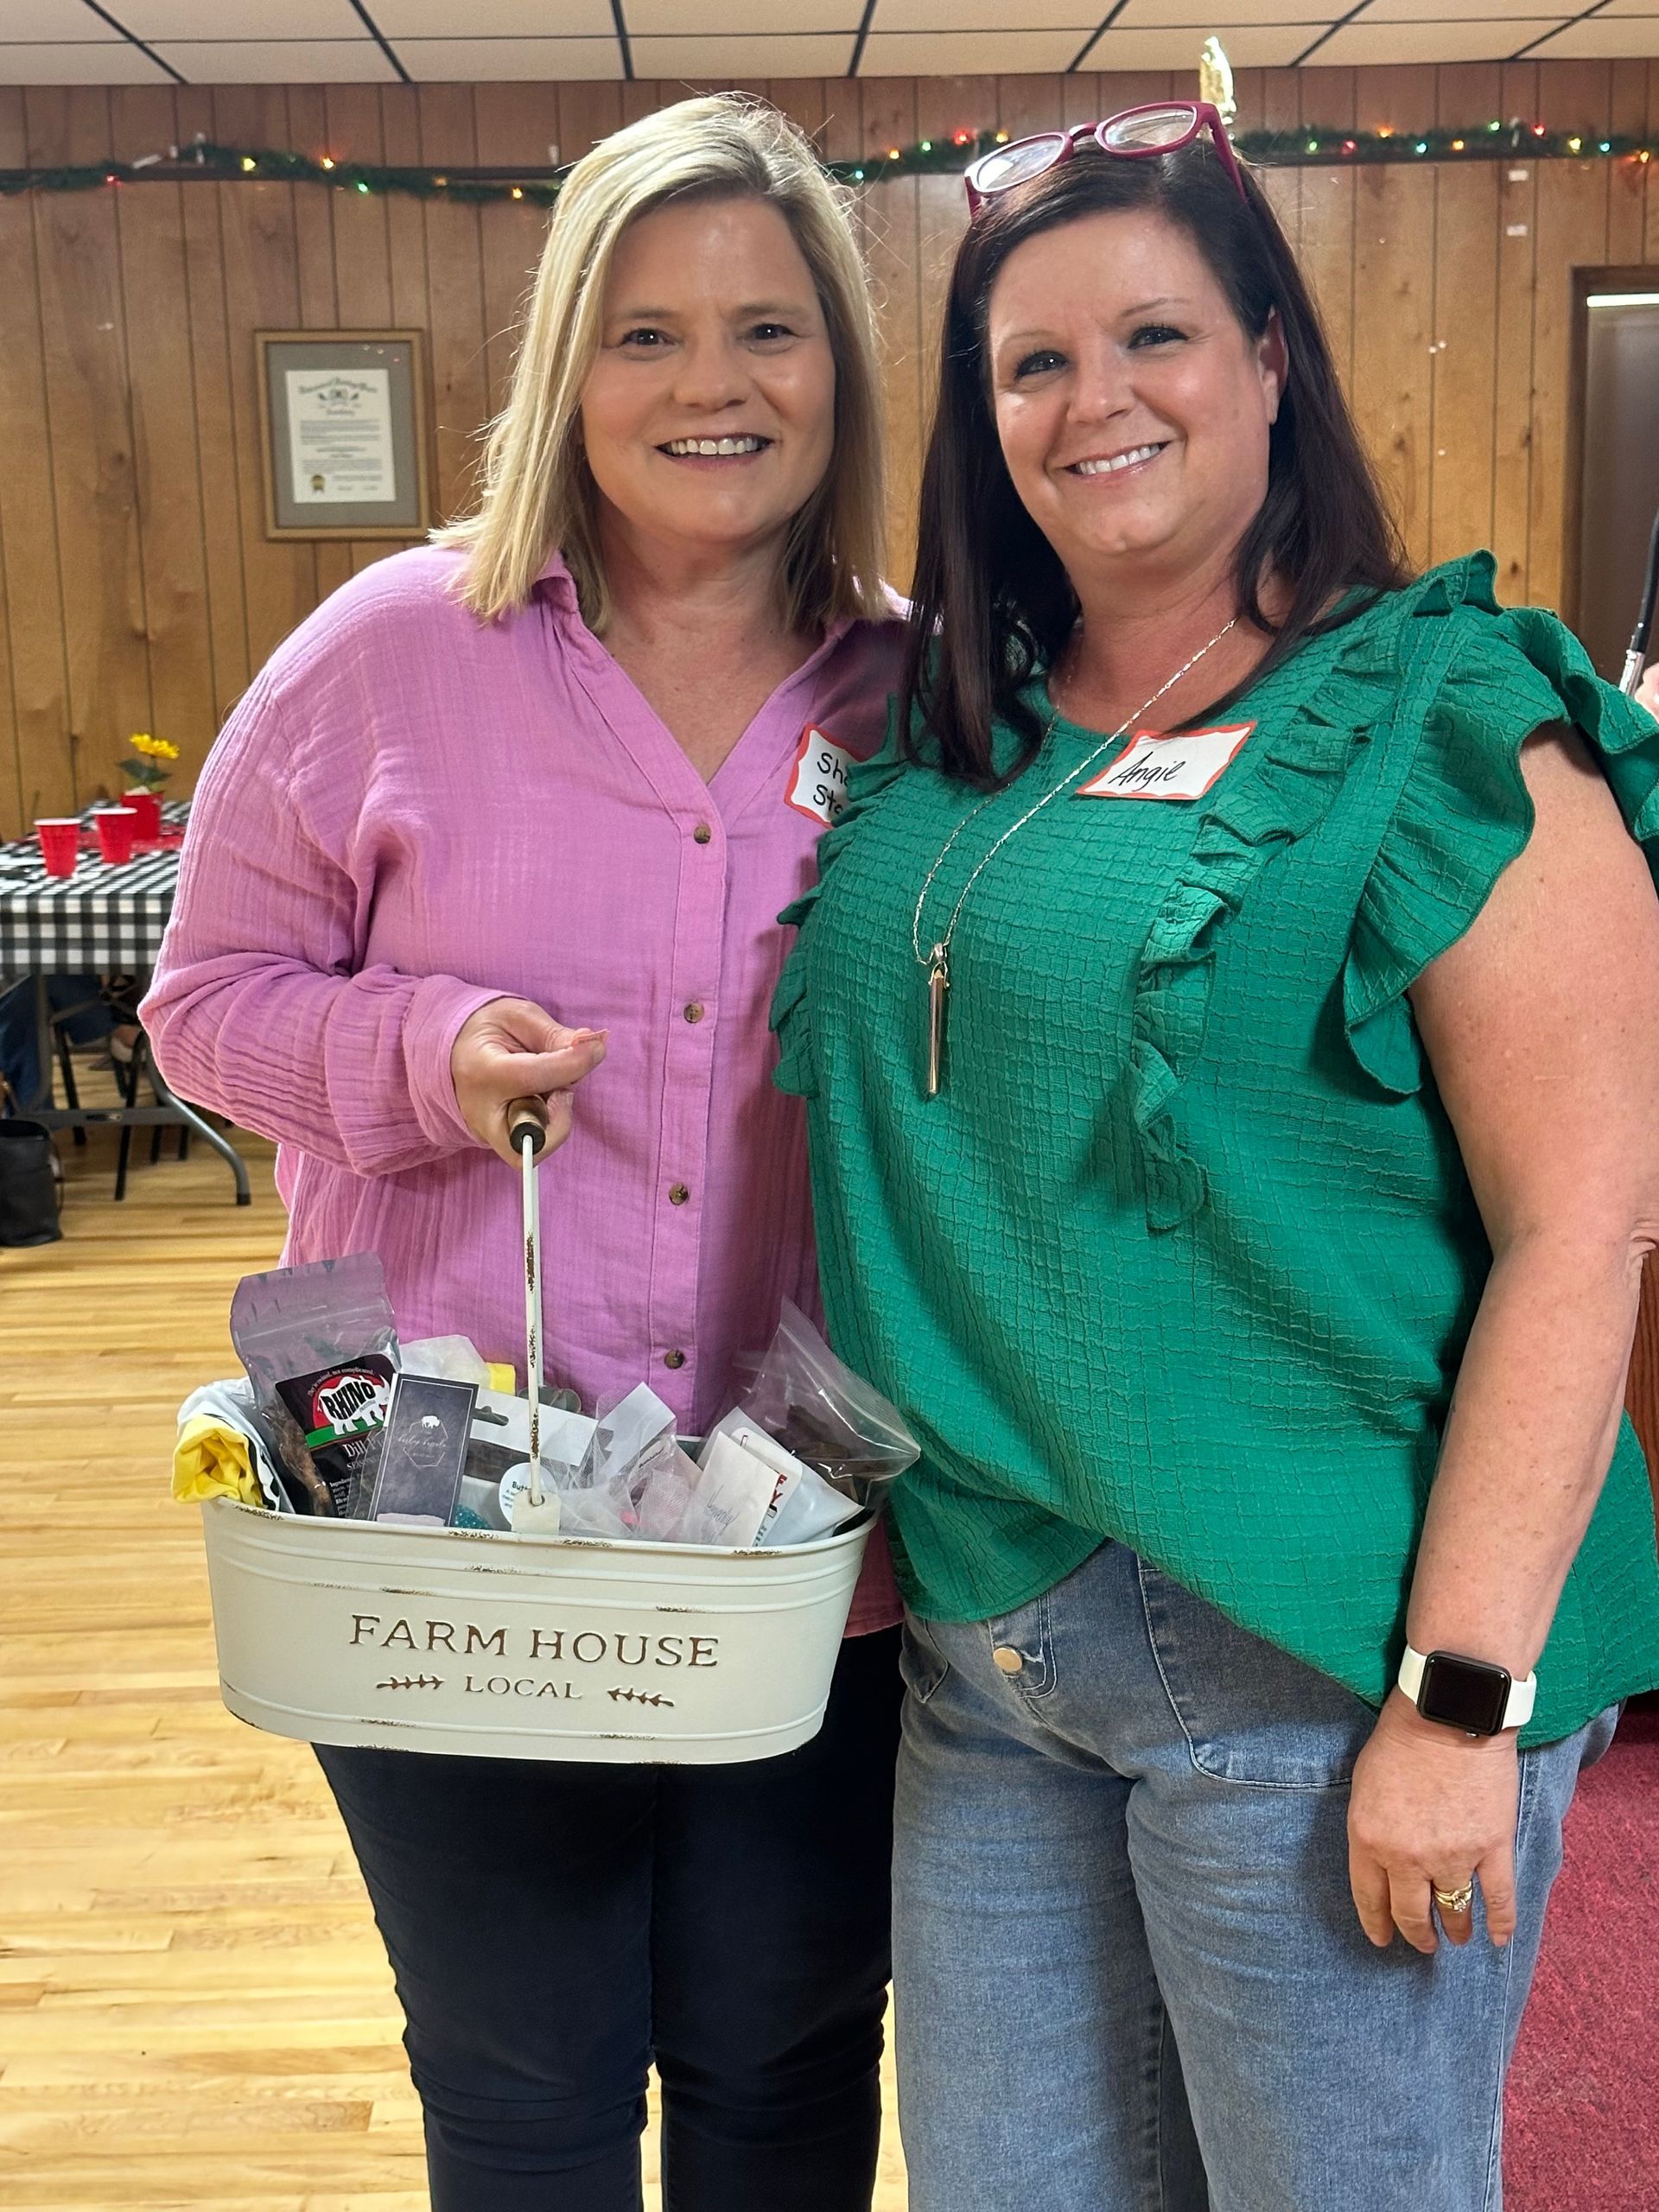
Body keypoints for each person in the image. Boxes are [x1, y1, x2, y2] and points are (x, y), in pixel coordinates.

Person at [772, 103, 1659, 2210]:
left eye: (1155, 334)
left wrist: (1459, 1702)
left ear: (1273, 354)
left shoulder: (1450, 722)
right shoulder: (944, 728)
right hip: (992, 1642)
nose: (1097, 403)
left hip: (1326, 1661)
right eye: (1032, 364)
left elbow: (1584, 1230)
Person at [144, 95, 905, 2212]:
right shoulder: (387, 657)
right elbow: (201, 1006)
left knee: (782, 2061)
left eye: (769, 328)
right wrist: (415, 1050)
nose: (713, 386)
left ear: (839, 364)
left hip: (810, 1549)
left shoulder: (925, 691)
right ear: (570, 360)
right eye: (647, 332)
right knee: (524, 2088)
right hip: (449, 1548)